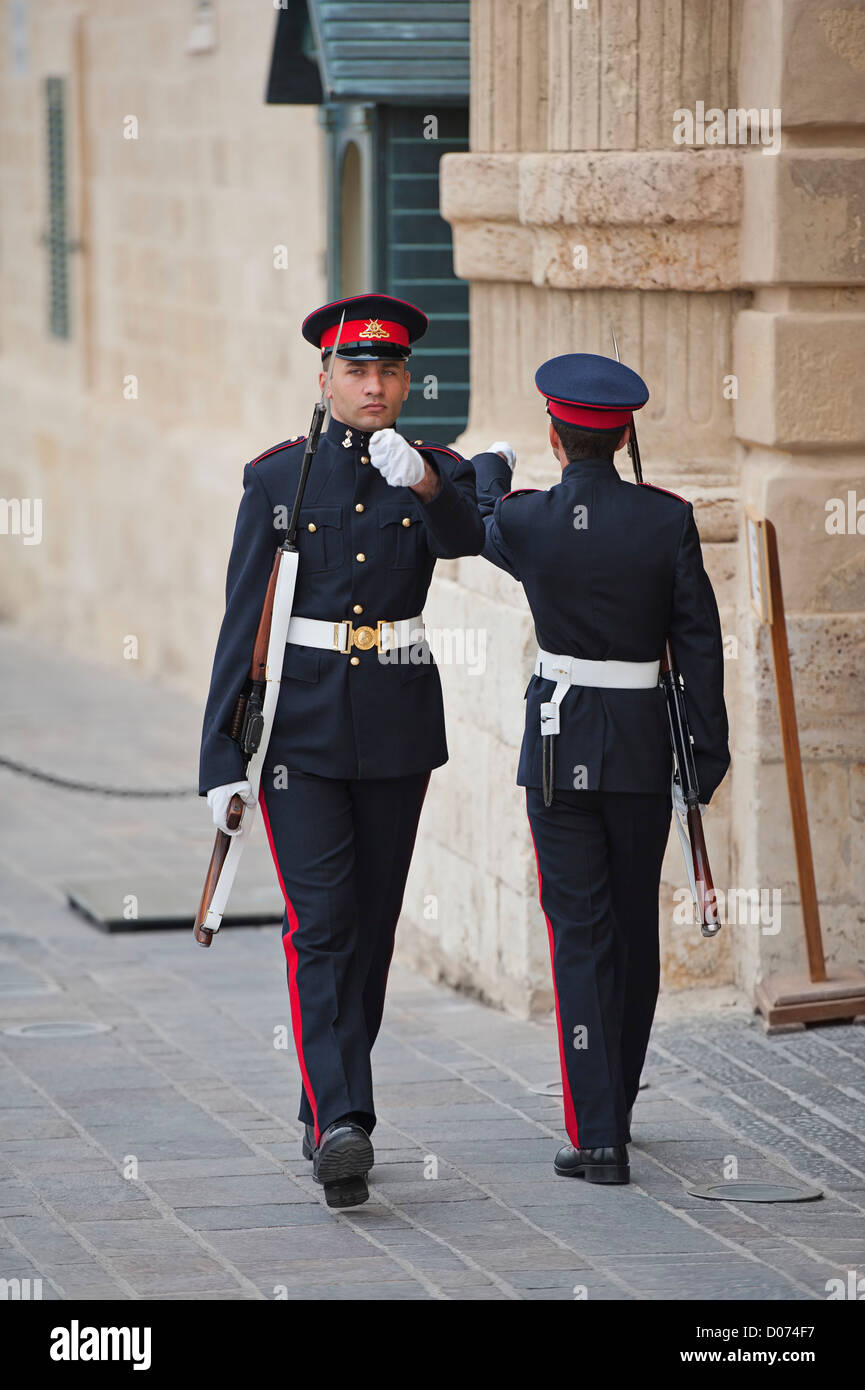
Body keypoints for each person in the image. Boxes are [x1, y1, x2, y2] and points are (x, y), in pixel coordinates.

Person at [198, 293, 484, 1207]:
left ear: (406, 383)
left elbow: (470, 540)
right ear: (323, 381)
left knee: (370, 926)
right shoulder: (278, 478)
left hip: (396, 722)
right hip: (303, 728)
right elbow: (242, 619)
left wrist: (432, 488)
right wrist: (218, 762)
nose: (374, 383)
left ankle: (326, 1096)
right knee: (318, 923)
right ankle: (341, 1123)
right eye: (356, 370)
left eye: (388, 370)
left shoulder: (435, 470)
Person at [472, 352, 730, 1185]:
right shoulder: (666, 520)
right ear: (623, 436)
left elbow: (481, 520)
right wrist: (704, 754)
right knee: (631, 926)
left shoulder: (531, 521)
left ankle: (596, 1135)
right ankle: (615, 1104)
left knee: (578, 934)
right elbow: (697, 645)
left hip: (559, 744)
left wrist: (486, 469)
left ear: (554, 435)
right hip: (641, 742)